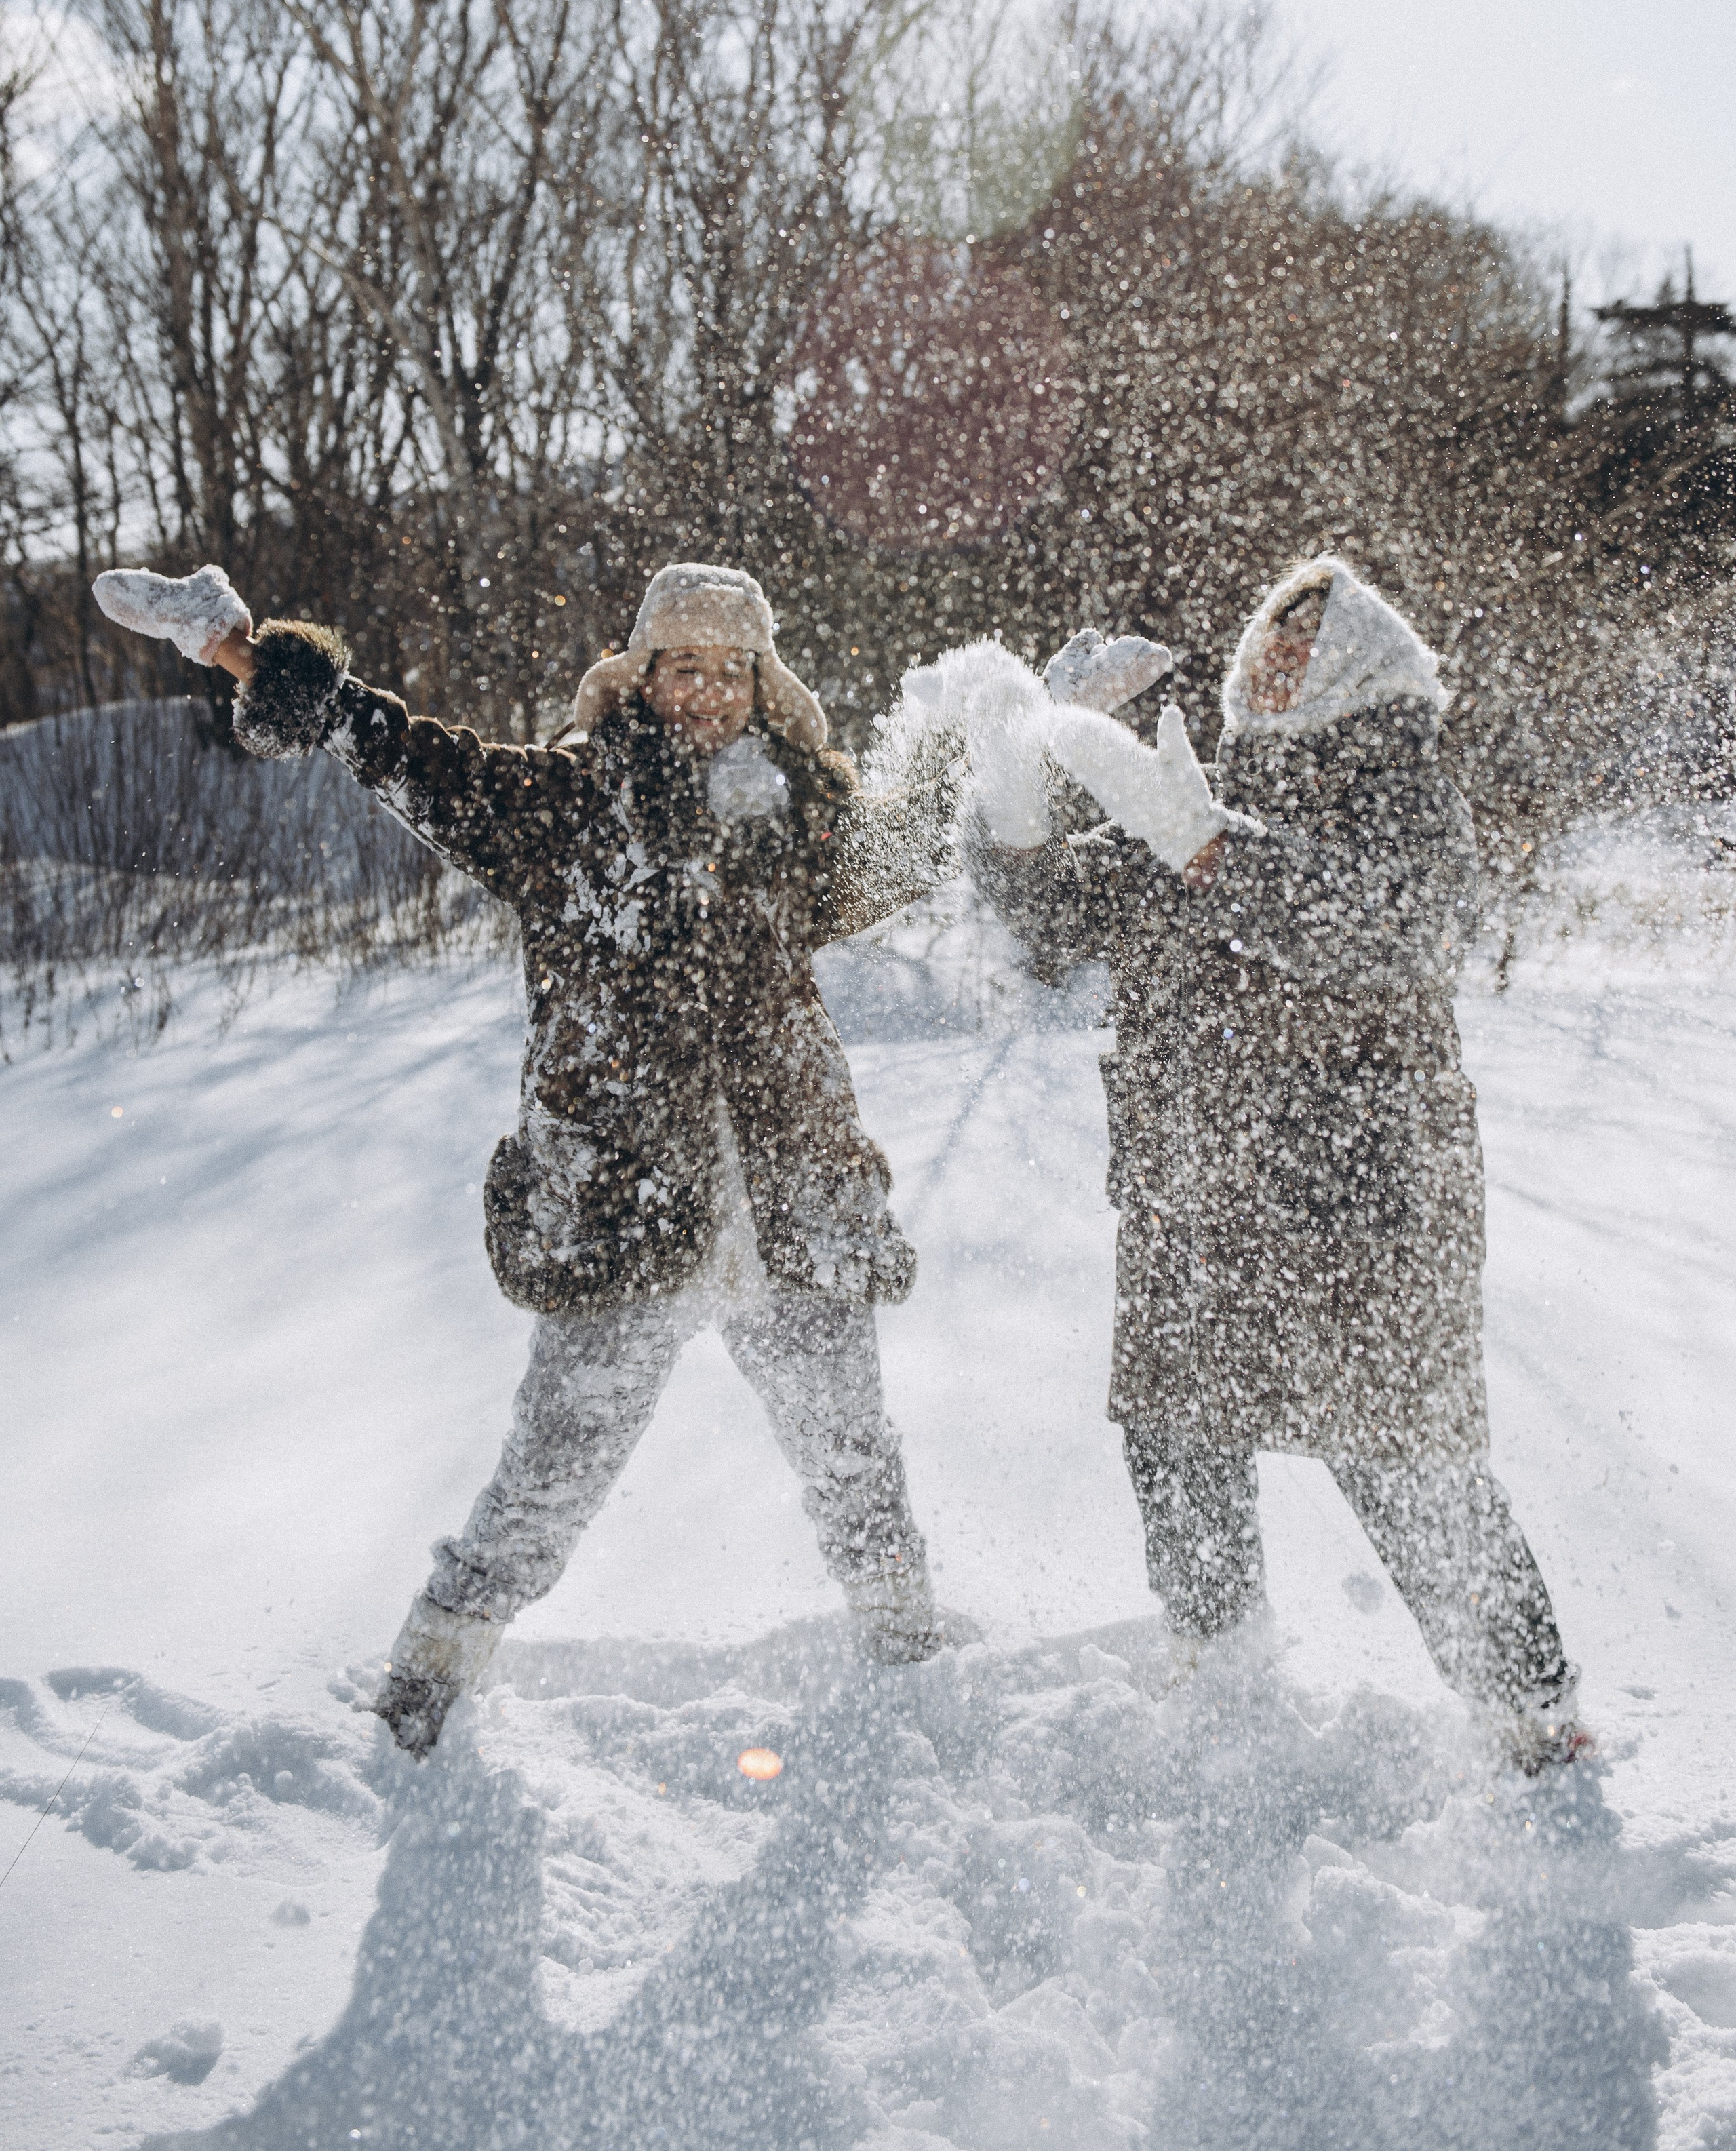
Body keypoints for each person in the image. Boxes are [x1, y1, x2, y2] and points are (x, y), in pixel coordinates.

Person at [95, 559, 950, 1756]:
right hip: (625, 1216)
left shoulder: (795, 824)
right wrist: (246, 653)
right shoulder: (565, 807)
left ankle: (913, 1670)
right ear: (641, 679)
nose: (705, 692)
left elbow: (915, 850)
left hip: (795, 1206)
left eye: (730, 671)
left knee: (857, 1464)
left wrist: (1021, 729)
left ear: (763, 690)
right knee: (544, 1489)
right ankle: (420, 1702)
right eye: (682, 667)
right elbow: (411, 759)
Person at [912, 562, 1587, 1776]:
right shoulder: (1192, 788)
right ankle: (1223, 1678)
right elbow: (1054, 919)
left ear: (1366, 657)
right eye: (1270, 643)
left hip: (1363, 1200)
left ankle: (1534, 1717)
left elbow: (1396, 926)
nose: (1278, 663)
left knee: (1406, 1464)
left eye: (1309, 643)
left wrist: (1215, 850)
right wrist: (1018, 780)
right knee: (1178, 1441)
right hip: (1193, 1195)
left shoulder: (1403, 794)